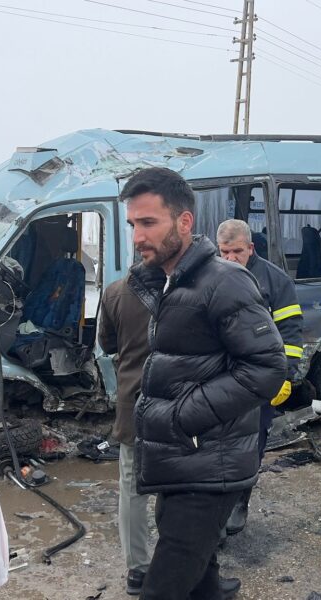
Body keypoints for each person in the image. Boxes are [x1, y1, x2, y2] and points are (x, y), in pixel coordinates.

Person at [122, 167, 286, 600]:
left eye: (148, 222)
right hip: (181, 460)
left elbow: (268, 367)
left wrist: (183, 417)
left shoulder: (225, 281)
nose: (138, 236)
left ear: (184, 221)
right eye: (133, 224)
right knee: (201, 583)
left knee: (163, 588)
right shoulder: (164, 281)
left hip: (211, 464)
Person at [216, 219, 304, 534]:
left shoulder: (275, 281)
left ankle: (241, 501)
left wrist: (286, 376)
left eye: (237, 251)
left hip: (260, 378)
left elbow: (291, 333)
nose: (230, 258)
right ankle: (216, 508)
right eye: (224, 252)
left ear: (251, 248)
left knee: (253, 443)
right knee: (217, 445)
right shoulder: (210, 276)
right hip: (220, 378)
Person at [97, 275, 153, 596]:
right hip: (181, 402)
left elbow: (107, 344)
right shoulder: (192, 286)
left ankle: (137, 569)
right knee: (183, 485)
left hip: (133, 399)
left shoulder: (116, 292)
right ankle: (186, 563)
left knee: (132, 486)